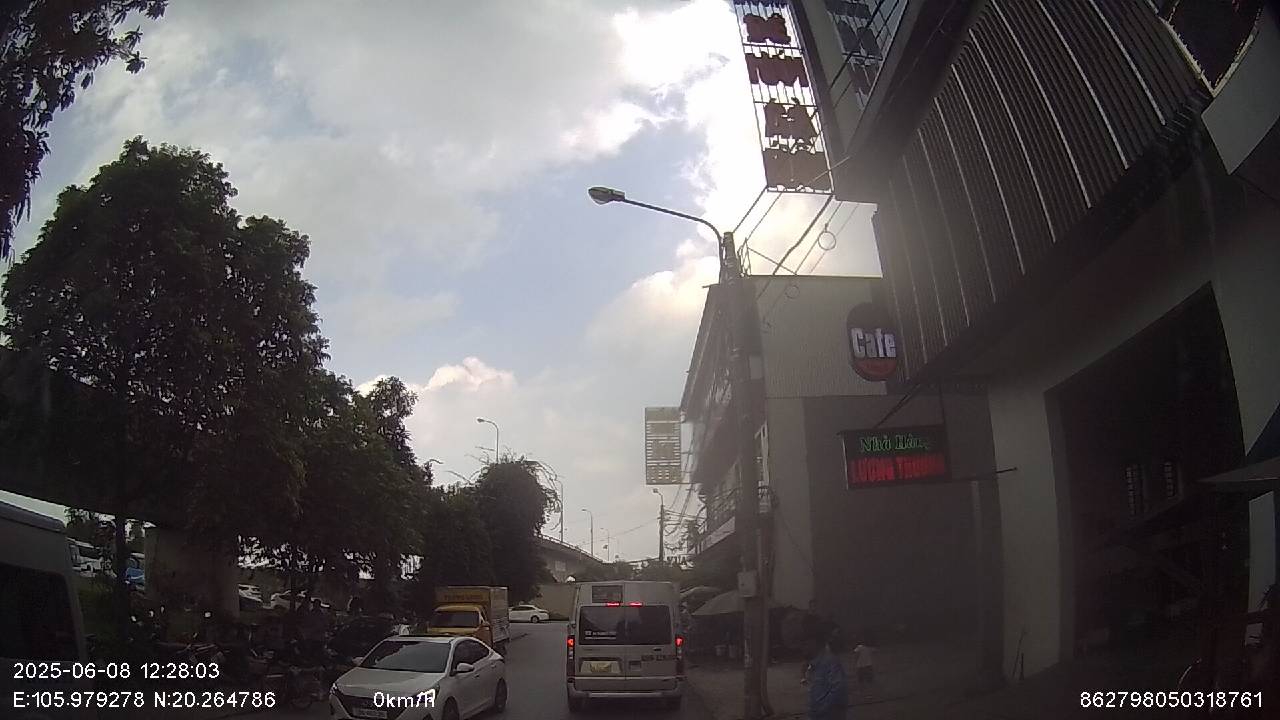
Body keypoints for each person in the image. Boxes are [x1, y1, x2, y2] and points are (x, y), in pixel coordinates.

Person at [803, 624, 848, 720]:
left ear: (815, 643)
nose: (803, 648)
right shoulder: (812, 666)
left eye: (806, 644)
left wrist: (821, 709)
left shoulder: (830, 663)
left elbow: (838, 691)